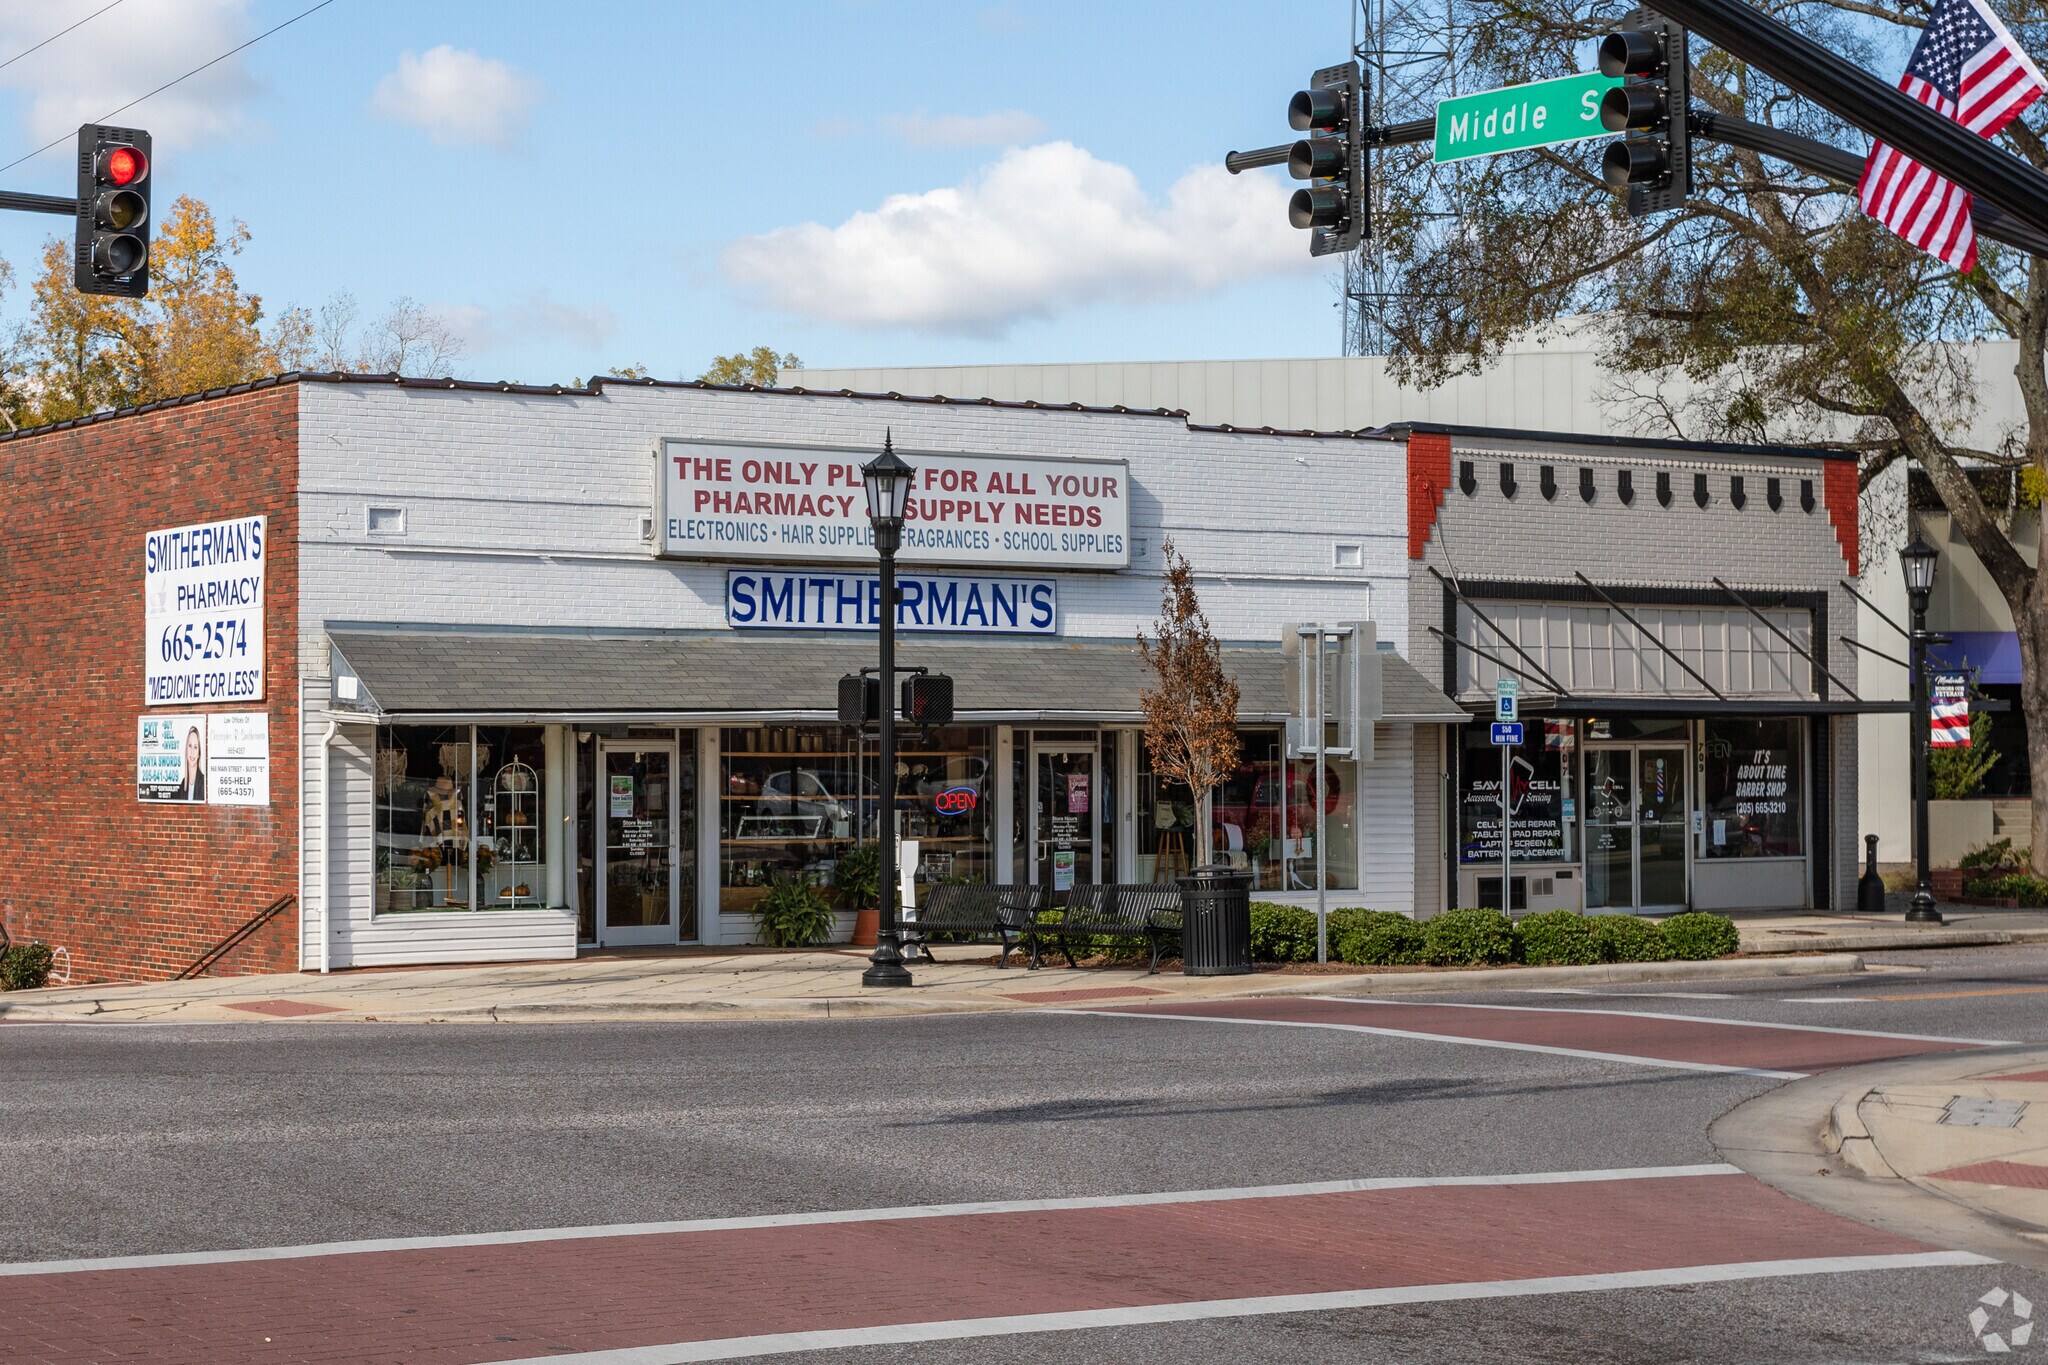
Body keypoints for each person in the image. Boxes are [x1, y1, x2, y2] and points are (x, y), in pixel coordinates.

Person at [180, 725, 206, 802]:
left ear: (199, 754)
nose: (192, 751)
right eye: (190, 746)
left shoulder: (203, 782)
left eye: (195, 747)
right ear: (186, 750)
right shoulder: (183, 784)